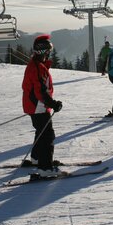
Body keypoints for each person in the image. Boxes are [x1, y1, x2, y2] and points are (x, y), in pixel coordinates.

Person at [22, 34, 63, 177]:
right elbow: (40, 90)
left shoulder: (37, 65)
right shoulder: (37, 67)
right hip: (38, 106)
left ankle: (37, 159)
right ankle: (45, 168)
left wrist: (50, 103)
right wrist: (52, 103)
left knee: (41, 131)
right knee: (47, 135)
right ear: (43, 51)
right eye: (48, 51)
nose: (49, 53)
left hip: (36, 105)